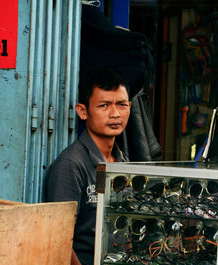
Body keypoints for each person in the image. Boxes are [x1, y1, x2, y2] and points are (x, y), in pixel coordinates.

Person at [45, 68, 131, 265]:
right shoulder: (70, 165)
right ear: (83, 111)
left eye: (122, 105)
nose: (115, 113)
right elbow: (60, 240)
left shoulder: (124, 163)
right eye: (104, 105)